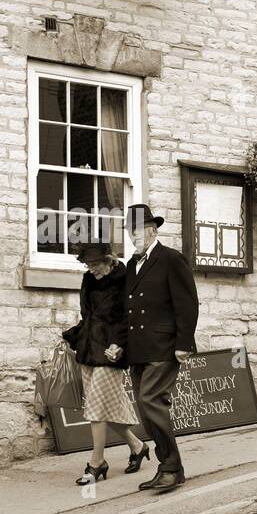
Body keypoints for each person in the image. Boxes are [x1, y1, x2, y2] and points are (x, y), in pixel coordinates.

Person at [124, 204, 200, 494]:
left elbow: (187, 303)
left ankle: (171, 468)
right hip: (139, 349)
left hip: (164, 346)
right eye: (129, 231)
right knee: (146, 408)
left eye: (137, 230)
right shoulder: (133, 264)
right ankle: (168, 467)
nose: (133, 236)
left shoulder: (171, 259)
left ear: (152, 230)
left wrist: (184, 343)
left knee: (151, 401)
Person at [61, 242, 150, 486]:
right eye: (88, 265)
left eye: (95, 265)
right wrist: (75, 334)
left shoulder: (125, 279)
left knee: (97, 407)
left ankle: (97, 463)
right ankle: (137, 446)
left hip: (112, 351)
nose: (91, 270)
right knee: (100, 406)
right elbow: (87, 314)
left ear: (109, 260)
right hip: (89, 348)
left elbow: (130, 316)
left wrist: (119, 343)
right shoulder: (89, 279)